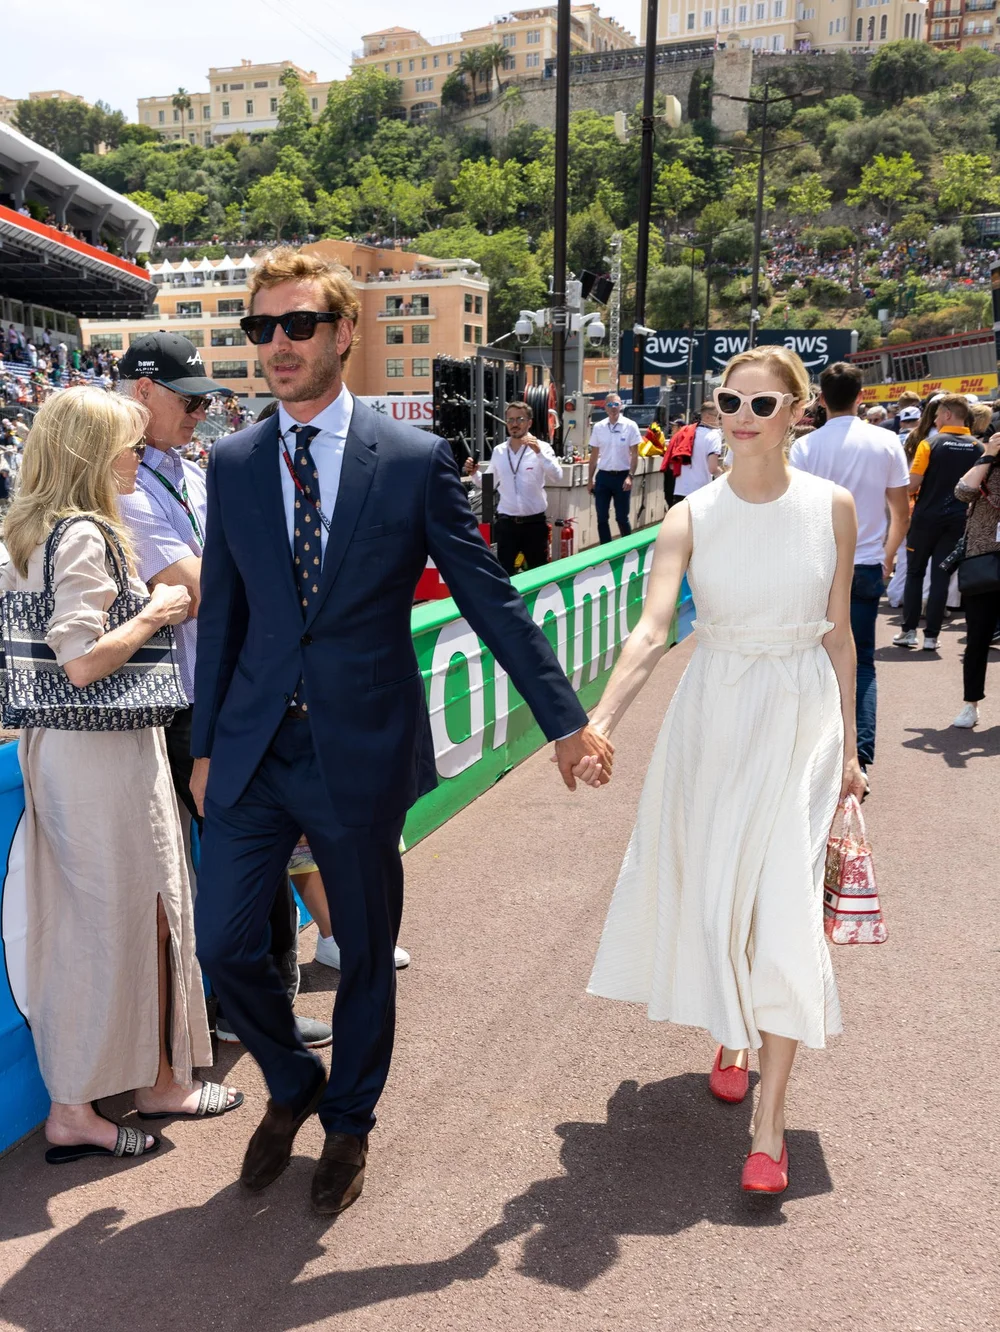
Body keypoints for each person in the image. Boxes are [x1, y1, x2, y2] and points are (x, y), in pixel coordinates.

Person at [189, 248, 613, 1216]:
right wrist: (208, 745)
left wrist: (564, 721)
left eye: (296, 325)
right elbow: (226, 617)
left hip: (359, 749)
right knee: (224, 946)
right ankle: (293, 1082)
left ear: (344, 334)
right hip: (253, 750)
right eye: (261, 330)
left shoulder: (414, 461)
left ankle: (347, 1123)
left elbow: (490, 600)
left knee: (365, 952)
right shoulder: (238, 460)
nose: (277, 345)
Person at [584, 347, 865, 1195]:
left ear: (798, 412)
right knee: (720, 900)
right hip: (714, 715)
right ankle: (734, 1034)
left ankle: (769, 1128)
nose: (742, 415)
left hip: (800, 718)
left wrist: (851, 750)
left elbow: (841, 632)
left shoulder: (834, 507)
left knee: (781, 900)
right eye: (728, 400)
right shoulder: (689, 515)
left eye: (763, 404)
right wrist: (598, 720)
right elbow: (651, 630)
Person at [1, 387, 241, 1165]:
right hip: (98, 750)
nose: (141, 455)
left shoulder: (29, 532)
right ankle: (99, 1101)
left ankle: (150, 1080)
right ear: (90, 455)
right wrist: (160, 612)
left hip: (69, 748)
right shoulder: (83, 535)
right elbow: (79, 662)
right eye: (128, 444)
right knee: (125, 920)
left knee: (126, 917)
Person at [114, 333, 333, 1050]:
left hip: (226, 691)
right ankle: (248, 1008)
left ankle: (247, 1005)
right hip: (184, 700)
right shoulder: (122, 486)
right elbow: (199, 588)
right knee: (248, 851)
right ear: (142, 392)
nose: (204, 411)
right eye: (190, 398)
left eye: (209, 399)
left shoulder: (184, 470)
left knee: (255, 850)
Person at [790, 361, 910, 777]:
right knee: (861, 662)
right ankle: (858, 758)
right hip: (866, 563)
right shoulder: (887, 442)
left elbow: (796, 513)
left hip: (818, 565)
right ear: (863, 396)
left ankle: (813, 756)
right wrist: (889, 554)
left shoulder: (805, 447)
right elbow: (901, 511)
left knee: (811, 658)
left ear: (821, 399)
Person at [894, 394, 982, 651]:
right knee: (941, 576)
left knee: (914, 573)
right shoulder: (978, 447)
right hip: (957, 520)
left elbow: (913, 484)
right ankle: (931, 637)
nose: (933, 419)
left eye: (935, 415)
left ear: (947, 414)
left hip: (925, 519)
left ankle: (909, 632)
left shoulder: (929, 444)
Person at [463, 400, 563, 575]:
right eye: (510, 420)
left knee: (538, 574)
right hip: (507, 524)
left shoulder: (543, 448)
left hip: (534, 523)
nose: (514, 424)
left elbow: (557, 476)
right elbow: (488, 484)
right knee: (504, 575)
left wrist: (539, 452)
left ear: (529, 423)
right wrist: (474, 473)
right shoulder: (499, 451)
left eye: (520, 419)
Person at [950, 430, 1000, 728]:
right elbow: (962, 492)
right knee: (978, 638)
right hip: (982, 558)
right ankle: (971, 705)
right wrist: (988, 455)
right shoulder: (986, 464)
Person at [588, 394, 641, 544]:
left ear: (621, 406)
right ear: (605, 408)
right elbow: (594, 456)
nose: (613, 408)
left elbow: (635, 454)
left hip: (622, 476)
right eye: (610, 405)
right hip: (603, 476)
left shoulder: (630, 426)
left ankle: (628, 546)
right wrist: (590, 479)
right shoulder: (599, 427)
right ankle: (606, 547)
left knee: (622, 517)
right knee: (602, 516)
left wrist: (630, 476)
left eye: (616, 404)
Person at [673, 402, 723, 501]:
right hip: (700, 492)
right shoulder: (714, 436)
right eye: (719, 417)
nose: (720, 421)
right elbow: (713, 468)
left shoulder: (685, 432)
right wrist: (724, 475)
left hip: (679, 490)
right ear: (708, 417)